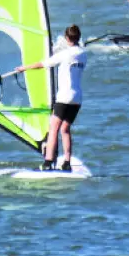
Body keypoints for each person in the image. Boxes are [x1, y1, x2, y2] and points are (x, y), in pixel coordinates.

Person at [15, 25, 87, 172]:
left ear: (67, 38)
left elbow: (43, 64)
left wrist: (24, 68)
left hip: (64, 97)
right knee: (65, 129)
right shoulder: (83, 54)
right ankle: (67, 162)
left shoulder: (65, 54)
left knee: (53, 128)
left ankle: (47, 163)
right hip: (77, 98)